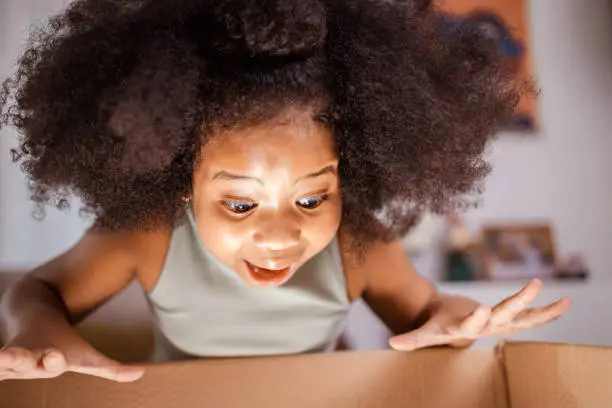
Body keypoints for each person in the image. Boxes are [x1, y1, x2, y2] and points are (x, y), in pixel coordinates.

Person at [0, 0, 570, 382]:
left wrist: (454, 319)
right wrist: (43, 335)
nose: (281, 236)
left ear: (347, 173)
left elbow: (426, 314)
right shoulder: (147, 239)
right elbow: (37, 291)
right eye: (241, 203)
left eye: (312, 198)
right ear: (180, 184)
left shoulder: (357, 245)